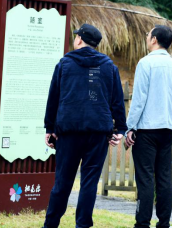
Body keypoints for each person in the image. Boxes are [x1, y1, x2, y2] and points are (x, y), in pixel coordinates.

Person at [43, 24, 127, 228]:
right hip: (98, 132)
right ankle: (82, 225)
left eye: (76, 36)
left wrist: (49, 128)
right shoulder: (108, 66)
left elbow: (53, 98)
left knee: (62, 182)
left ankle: (51, 224)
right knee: (89, 182)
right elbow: (117, 100)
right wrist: (120, 130)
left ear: (79, 39)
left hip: (69, 132)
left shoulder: (64, 64)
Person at [124, 25, 172, 228]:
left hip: (147, 129)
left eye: (148, 34)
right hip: (167, 128)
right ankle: (164, 223)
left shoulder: (146, 63)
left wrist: (130, 127)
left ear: (154, 39)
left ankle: (142, 223)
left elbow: (139, 98)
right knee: (164, 178)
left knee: (145, 177)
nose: (147, 37)